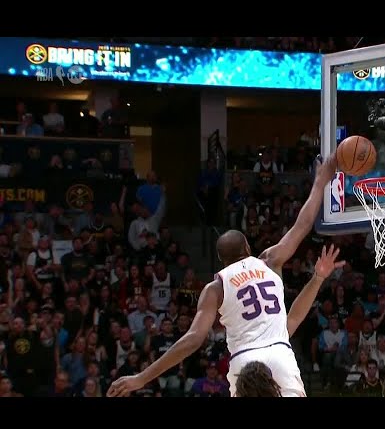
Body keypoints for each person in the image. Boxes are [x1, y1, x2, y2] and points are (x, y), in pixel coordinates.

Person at [108, 155, 339, 398]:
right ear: (248, 248)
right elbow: (302, 225)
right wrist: (320, 181)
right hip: (280, 352)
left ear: (222, 261)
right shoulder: (269, 262)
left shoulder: (215, 287)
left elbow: (193, 339)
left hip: (244, 361)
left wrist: (142, 377)